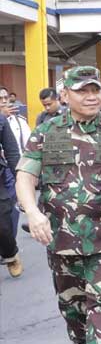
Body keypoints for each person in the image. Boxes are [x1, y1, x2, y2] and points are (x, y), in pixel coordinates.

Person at [15, 66, 101, 344]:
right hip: (61, 237)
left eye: (96, 89)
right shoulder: (47, 132)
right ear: (65, 96)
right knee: (73, 306)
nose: (92, 95)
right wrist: (33, 212)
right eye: (82, 90)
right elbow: (25, 175)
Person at [0, 113, 21, 277]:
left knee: (3, 225)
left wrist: (21, 181)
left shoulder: (1, 120)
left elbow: (12, 152)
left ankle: (10, 253)